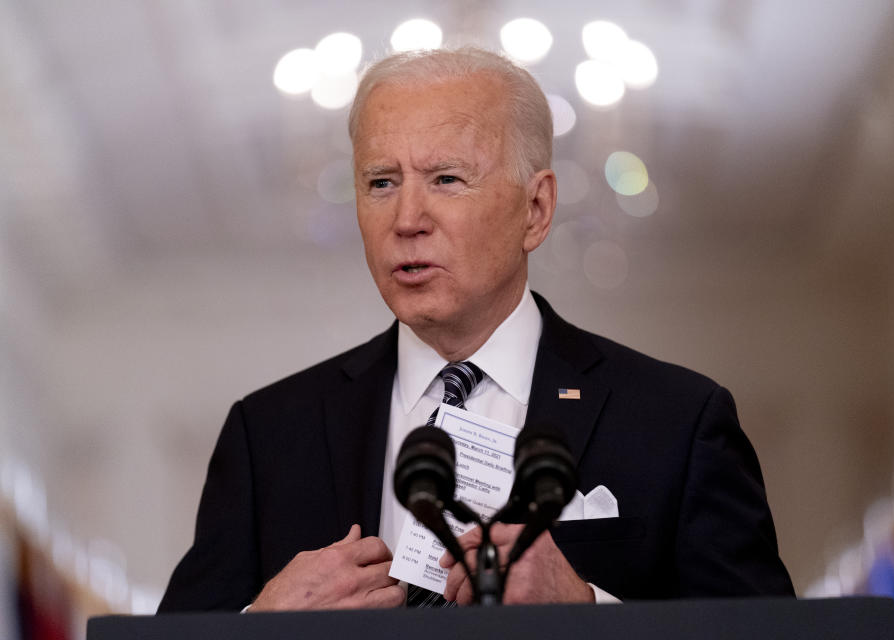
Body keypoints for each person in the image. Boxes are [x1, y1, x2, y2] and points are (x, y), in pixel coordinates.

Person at [157, 47, 794, 613]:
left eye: (446, 180)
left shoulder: (676, 423)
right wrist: (259, 631)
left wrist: (585, 608)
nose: (407, 218)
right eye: (381, 182)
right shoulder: (268, 435)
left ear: (536, 209)